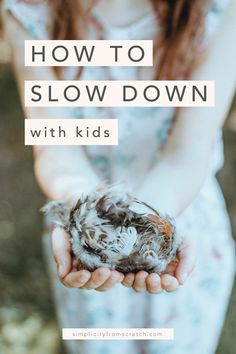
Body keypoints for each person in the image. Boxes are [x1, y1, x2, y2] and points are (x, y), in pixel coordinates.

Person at [3, 0, 236, 353]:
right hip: (82, 226)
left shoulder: (217, 11)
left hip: (180, 212)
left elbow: (186, 154)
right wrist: (85, 213)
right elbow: (56, 147)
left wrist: (152, 223)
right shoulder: (29, 11)